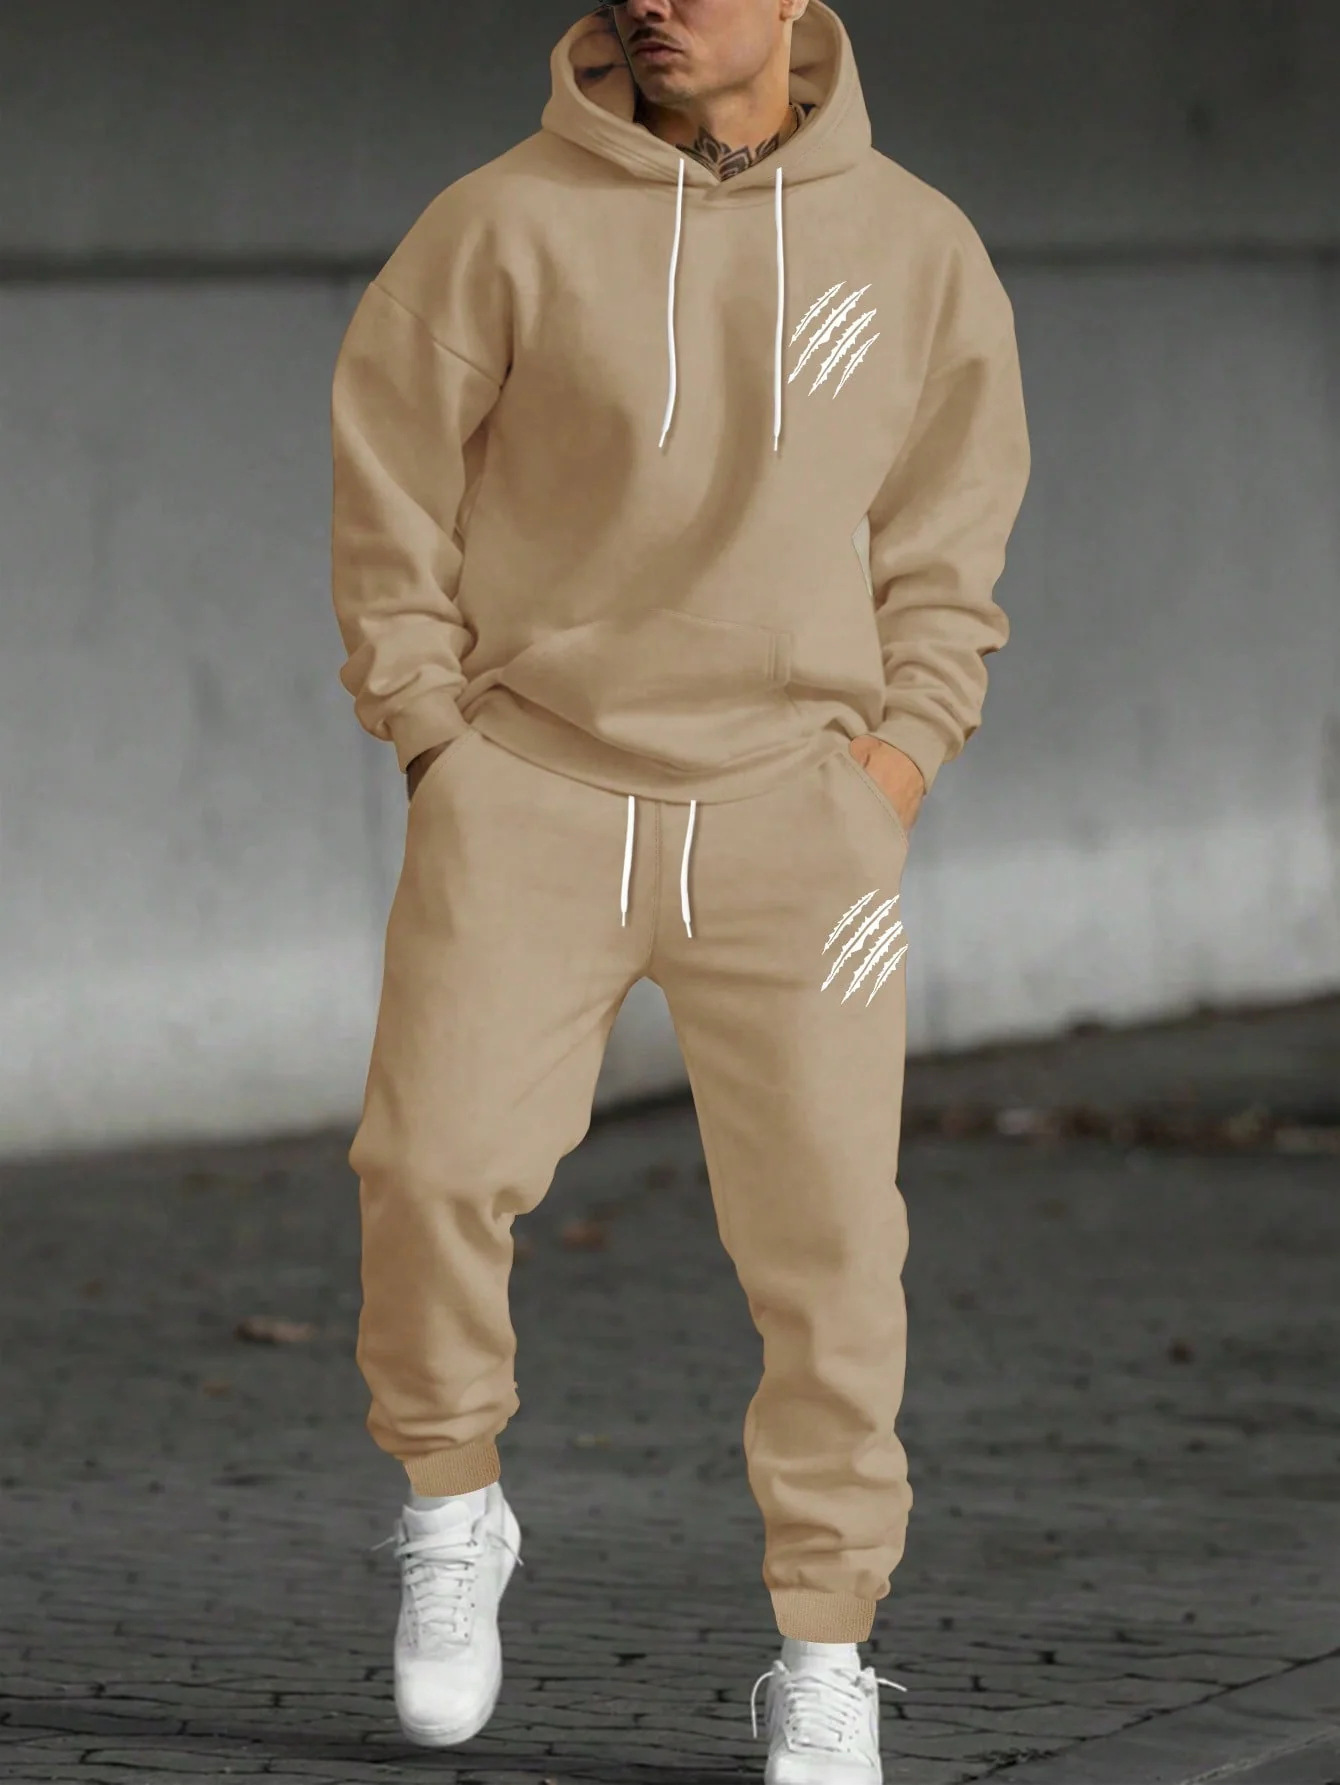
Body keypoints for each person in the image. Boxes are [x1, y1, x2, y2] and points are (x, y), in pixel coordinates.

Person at [329, 0, 1030, 1777]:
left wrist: (895, 767)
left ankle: (824, 1646)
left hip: (804, 827)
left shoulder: (918, 246)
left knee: (833, 1248)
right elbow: (390, 490)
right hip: (528, 796)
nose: (655, 1)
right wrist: (433, 741)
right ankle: (453, 1504)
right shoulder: (497, 221)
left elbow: (949, 544)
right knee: (427, 1166)